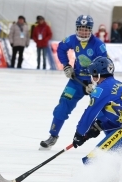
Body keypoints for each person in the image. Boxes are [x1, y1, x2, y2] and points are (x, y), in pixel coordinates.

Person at [39, 15, 107, 149]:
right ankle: (53, 136)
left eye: (86, 29)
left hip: (95, 82)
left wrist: (95, 82)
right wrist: (66, 65)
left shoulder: (99, 45)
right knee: (62, 106)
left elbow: (104, 66)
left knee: (105, 109)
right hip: (76, 80)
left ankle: (111, 141)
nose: (83, 32)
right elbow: (61, 47)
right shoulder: (72, 39)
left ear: (91, 30)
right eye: (81, 29)